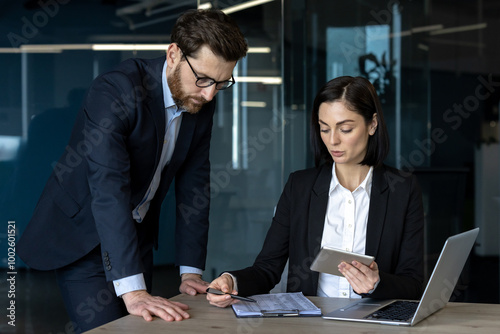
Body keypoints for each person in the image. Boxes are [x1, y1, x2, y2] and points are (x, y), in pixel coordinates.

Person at [17, 8, 248, 333]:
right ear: (173, 54)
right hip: (86, 235)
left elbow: (195, 186)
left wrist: (190, 272)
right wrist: (135, 291)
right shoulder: (115, 91)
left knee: (142, 327)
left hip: (135, 237)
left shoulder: (200, 101)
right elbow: (108, 189)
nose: (210, 94)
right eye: (204, 79)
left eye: (222, 84)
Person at [207, 76, 424, 308]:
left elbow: (413, 283)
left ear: (372, 124)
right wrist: (231, 280)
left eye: (346, 129)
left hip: (373, 323)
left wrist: (377, 283)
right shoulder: (299, 187)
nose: (333, 141)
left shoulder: (402, 189)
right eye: (324, 128)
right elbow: (267, 269)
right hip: (310, 324)